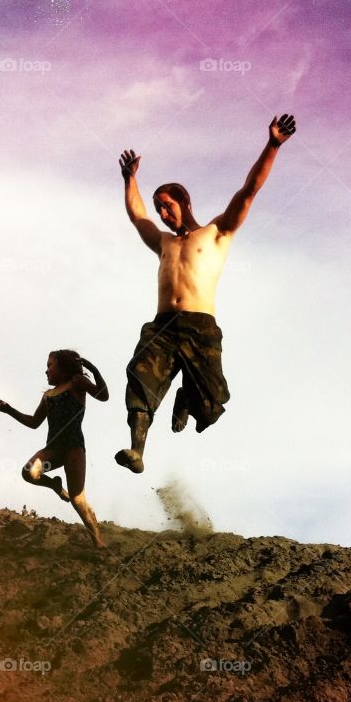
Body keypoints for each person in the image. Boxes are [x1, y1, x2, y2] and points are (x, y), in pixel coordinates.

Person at [114, 113, 297, 474]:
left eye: (168, 204)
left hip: (200, 326)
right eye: (160, 208)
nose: (164, 213)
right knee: (140, 376)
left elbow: (249, 191)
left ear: (184, 201)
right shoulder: (163, 242)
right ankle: (137, 451)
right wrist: (129, 180)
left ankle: (187, 396)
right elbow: (137, 217)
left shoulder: (216, 233)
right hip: (163, 326)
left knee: (211, 405)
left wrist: (273, 145)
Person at [0, 350, 108, 548]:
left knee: (77, 499)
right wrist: (9, 409)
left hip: (73, 447)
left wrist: (94, 369)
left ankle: (98, 540)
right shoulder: (48, 395)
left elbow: (103, 395)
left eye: (49, 366)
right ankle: (54, 485)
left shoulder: (77, 383)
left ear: (63, 367)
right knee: (29, 472)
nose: (46, 371)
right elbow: (34, 422)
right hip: (53, 449)